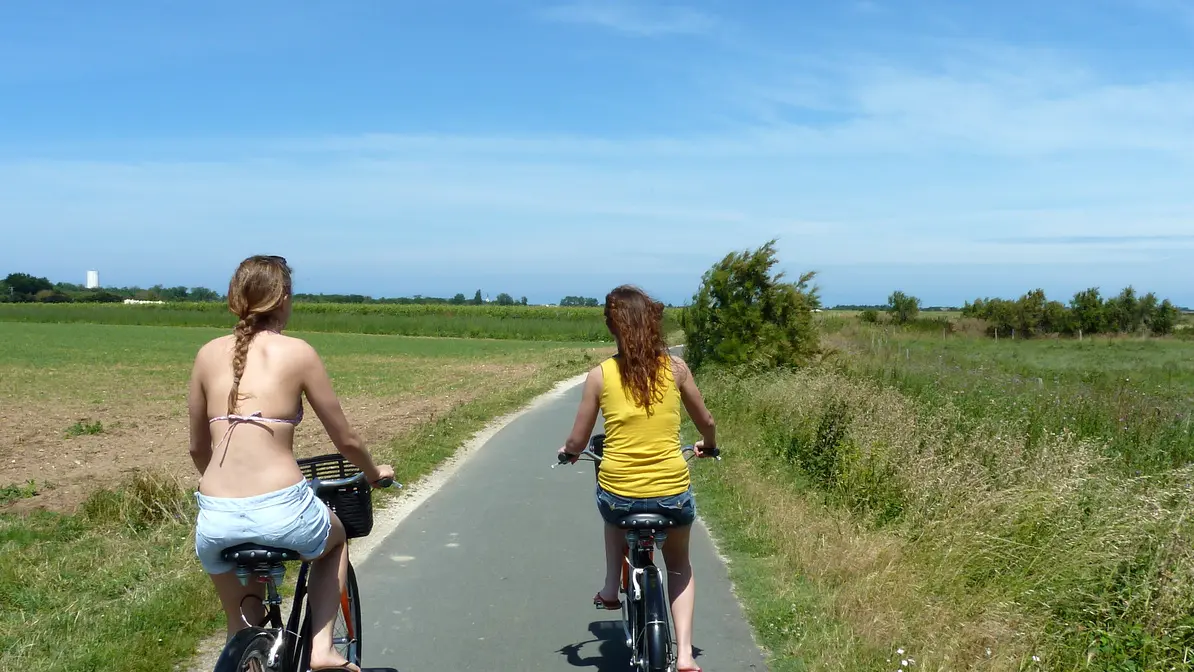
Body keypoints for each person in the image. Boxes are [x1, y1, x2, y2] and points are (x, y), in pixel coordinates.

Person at [187, 254, 393, 672]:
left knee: (238, 626)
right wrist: (375, 474)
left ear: (234, 298)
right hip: (283, 508)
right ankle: (322, 649)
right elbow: (346, 440)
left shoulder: (207, 354)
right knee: (334, 541)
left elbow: (197, 449)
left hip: (216, 518)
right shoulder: (298, 353)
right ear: (282, 299)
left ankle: (244, 652)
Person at [557, 284, 718, 672]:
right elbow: (707, 422)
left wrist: (570, 453)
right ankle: (683, 657)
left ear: (613, 327)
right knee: (678, 565)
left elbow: (578, 439)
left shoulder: (600, 375)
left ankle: (612, 584)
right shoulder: (676, 369)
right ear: (652, 324)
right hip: (672, 495)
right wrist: (708, 444)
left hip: (622, 494)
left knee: (612, 509)